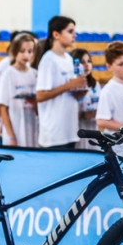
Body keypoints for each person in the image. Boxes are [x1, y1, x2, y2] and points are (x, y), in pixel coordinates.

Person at [34, 16, 87, 149]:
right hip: (54, 134)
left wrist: (78, 92)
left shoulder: (68, 59)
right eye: (70, 31)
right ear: (56, 34)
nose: (74, 35)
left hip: (69, 129)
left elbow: (68, 90)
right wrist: (69, 86)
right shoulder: (48, 60)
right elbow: (40, 96)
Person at [0, 32, 38, 147]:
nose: (26, 55)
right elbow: (3, 108)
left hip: (32, 129)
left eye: (30, 51)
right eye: (22, 51)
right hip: (15, 131)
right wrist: (11, 136)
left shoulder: (35, 74)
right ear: (14, 51)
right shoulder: (8, 74)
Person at [72, 48, 99, 150]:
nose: (87, 65)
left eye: (89, 61)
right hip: (78, 130)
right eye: (83, 62)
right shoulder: (72, 85)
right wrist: (84, 114)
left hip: (92, 128)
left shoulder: (95, 84)